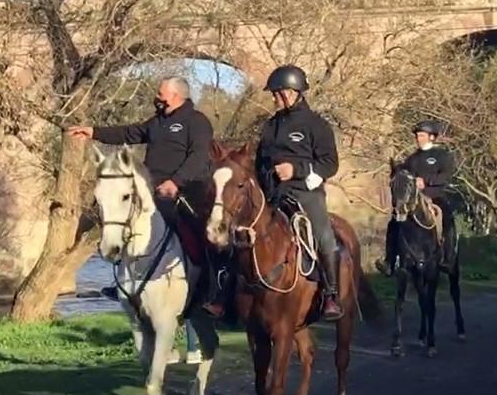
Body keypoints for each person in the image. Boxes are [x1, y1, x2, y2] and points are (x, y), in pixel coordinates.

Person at [67, 76, 221, 310]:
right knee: (127, 222)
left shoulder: (197, 122)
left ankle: (209, 288)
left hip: (186, 191)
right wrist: (93, 132)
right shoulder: (158, 122)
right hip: (152, 191)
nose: (156, 97)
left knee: (198, 232)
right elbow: (130, 133)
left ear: (175, 96)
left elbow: (198, 157)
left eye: (161, 93)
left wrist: (175, 182)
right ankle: (124, 280)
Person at [254, 64, 344, 321]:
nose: (273, 98)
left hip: (305, 193)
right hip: (273, 194)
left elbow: (330, 163)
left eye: (276, 93)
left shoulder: (316, 125)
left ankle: (331, 294)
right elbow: (260, 162)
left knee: (324, 235)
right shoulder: (270, 126)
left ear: (291, 92)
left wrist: (296, 170)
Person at [377, 120, 459, 274]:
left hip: (435, 196)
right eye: (417, 136)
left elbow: (447, 176)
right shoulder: (412, 158)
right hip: (414, 199)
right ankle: (390, 262)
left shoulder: (442, 155)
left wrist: (427, 181)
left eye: (421, 135)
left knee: (447, 220)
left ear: (432, 137)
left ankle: (448, 259)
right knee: (394, 221)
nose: (418, 138)